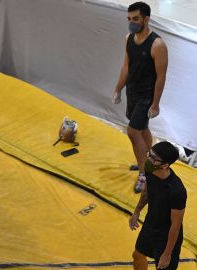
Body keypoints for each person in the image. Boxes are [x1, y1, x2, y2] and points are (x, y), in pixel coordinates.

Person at [112, 1, 168, 193]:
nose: (132, 22)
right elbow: (126, 66)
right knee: (142, 129)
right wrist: (118, 88)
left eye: (135, 19)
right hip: (132, 92)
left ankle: (145, 173)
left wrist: (156, 103)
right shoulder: (128, 38)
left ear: (146, 19)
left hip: (146, 96)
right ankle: (149, 160)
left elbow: (161, 77)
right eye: (129, 19)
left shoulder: (157, 44)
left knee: (132, 131)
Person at [129, 141, 186, 270]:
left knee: (162, 266)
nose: (149, 159)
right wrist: (137, 211)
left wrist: (167, 254)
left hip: (167, 235)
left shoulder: (177, 190)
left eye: (154, 158)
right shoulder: (149, 168)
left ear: (165, 165)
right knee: (137, 255)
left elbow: (175, 226)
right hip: (151, 224)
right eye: (150, 154)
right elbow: (146, 192)